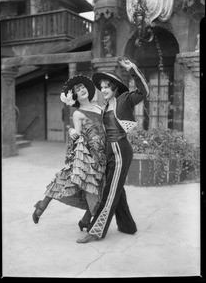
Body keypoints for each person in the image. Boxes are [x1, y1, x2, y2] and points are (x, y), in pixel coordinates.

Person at [70, 59, 149, 243]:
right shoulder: (104, 106)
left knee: (110, 191)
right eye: (102, 87)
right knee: (116, 189)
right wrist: (74, 131)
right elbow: (88, 123)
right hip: (109, 151)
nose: (103, 90)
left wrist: (133, 69)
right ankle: (128, 226)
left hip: (121, 148)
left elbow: (144, 91)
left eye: (107, 87)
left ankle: (96, 231)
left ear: (115, 88)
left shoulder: (125, 99)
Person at [32, 75, 107, 231]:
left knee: (97, 186)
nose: (82, 90)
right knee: (69, 178)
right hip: (87, 153)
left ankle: (85, 220)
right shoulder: (78, 114)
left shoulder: (100, 108)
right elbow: (77, 133)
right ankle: (42, 205)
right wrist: (72, 131)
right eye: (78, 90)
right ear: (75, 96)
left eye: (83, 88)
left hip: (101, 152)